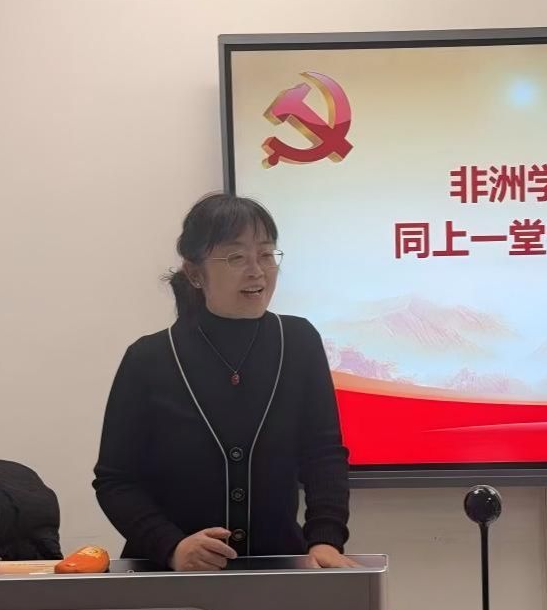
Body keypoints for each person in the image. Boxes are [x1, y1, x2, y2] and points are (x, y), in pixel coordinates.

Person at [93, 193, 354, 571]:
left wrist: (325, 539)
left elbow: (323, 454)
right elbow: (115, 480)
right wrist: (172, 546)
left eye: (266, 254)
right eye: (236, 257)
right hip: (170, 574)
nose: (257, 271)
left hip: (277, 566)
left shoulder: (299, 342)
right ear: (194, 273)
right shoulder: (149, 357)